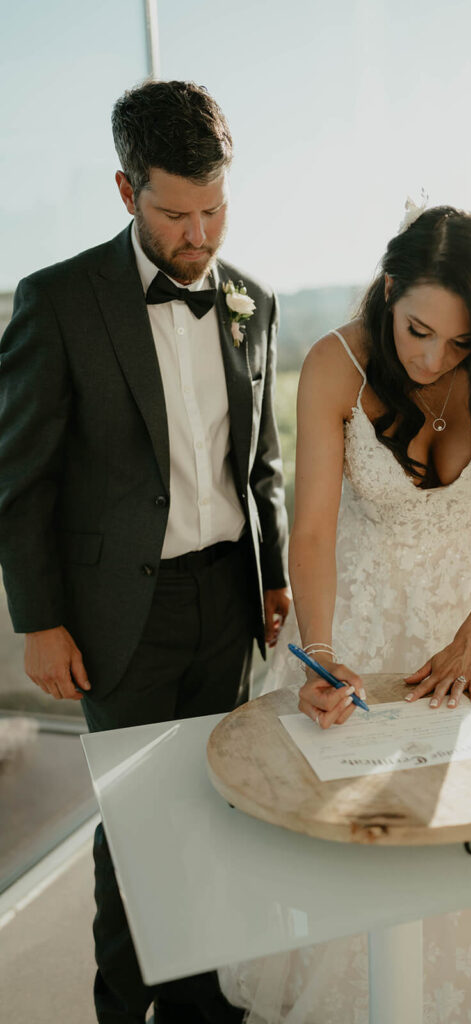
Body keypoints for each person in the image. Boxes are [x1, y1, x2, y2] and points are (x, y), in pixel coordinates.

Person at [218, 205, 471, 1022]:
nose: (431, 357)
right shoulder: (335, 363)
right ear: (387, 289)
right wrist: (323, 649)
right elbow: (310, 530)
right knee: (368, 841)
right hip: (364, 613)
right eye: (416, 330)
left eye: (458, 344)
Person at [0, 80, 290, 1023]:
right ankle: (124, 1012)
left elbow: (262, 466)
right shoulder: (57, 302)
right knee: (135, 830)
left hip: (227, 602)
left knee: (218, 813)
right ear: (126, 191)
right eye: (175, 214)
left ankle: (210, 1007)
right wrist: (39, 620)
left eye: (213, 209)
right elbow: (19, 480)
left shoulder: (253, 301)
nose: (199, 235)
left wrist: (276, 574)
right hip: (119, 613)